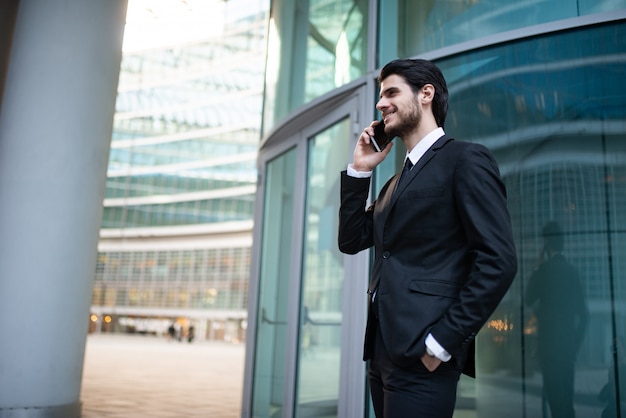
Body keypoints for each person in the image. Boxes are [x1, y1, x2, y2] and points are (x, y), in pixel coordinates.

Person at [338, 58, 517, 417]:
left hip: (425, 353)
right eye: (380, 95)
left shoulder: (465, 159)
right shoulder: (394, 184)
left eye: (391, 92)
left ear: (426, 94)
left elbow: (499, 261)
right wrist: (359, 171)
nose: (380, 103)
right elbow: (352, 239)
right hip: (383, 352)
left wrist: (442, 343)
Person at [526, 221, 587, 418]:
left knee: (556, 405)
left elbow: (528, 299)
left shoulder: (543, 272)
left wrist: (537, 266)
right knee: (567, 405)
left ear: (547, 244)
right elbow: (585, 316)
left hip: (549, 350)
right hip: (567, 350)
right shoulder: (573, 272)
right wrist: (574, 346)